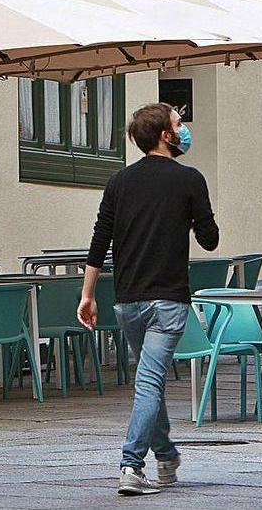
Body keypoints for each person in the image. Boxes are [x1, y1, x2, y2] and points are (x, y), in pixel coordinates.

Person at [76, 103, 219, 496]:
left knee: (148, 380)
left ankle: (167, 455)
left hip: (128, 301)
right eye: (178, 123)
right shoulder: (190, 180)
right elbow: (210, 239)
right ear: (164, 136)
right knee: (149, 382)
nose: (183, 128)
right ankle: (131, 466)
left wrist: (87, 295)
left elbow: (99, 241)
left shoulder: (119, 182)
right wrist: (191, 217)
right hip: (168, 299)